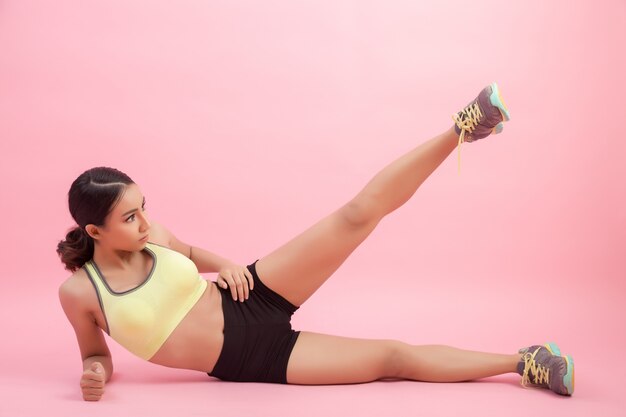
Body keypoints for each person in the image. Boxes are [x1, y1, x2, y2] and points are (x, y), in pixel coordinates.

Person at [56, 83, 574, 402]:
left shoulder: (156, 237)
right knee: (393, 358)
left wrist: (229, 263)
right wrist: (94, 376)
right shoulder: (81, 294)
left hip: (250, 294)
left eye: (144, 206)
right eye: (130, 216)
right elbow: (94, 356)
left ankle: (463, 130)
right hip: (251, 358)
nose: (145, 222)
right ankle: (525, 361)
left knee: (355, 215)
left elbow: (191, 255)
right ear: (95, 231)